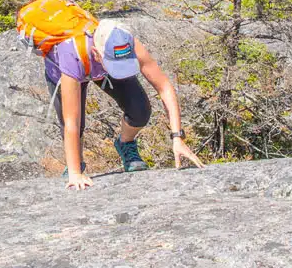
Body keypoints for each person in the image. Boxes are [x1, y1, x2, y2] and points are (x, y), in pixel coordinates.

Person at [45, 19, 205, 190]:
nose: (121, 72)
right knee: (77, 125)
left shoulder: (124, 43)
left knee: (139, 109)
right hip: (67, 69)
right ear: (96, 53)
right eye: (116, 66)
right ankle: (76, 163)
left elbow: (164, 87)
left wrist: (177, 137)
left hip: (100, 66)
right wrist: (75, 174)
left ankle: (125, 144)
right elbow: (71, 122)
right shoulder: (71, 55)